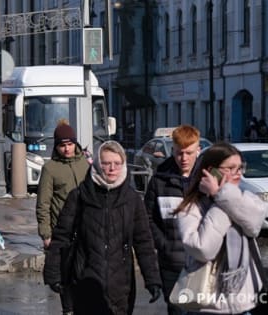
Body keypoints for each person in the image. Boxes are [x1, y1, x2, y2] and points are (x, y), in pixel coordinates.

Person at [44, 140, 162, 315]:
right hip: (85, 282)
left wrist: (152, 279)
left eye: (117, 163)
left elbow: (143, 241)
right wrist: (53, 273)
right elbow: (61, 237)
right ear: (98, 165)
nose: (112, 168)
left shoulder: (132, 199)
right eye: (107, 163)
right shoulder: (79, 196)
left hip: (121, 286)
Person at [174, 142, 266, 314]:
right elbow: (203, 250)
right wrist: (221, 202)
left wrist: (220, 195)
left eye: (240, 168)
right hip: (208, 305)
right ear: (211, 171)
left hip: (244, 303)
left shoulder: (245, 198)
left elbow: (254, 226)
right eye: (230, 168)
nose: (237, 174)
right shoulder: (190, 208)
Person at [144, 125, 201, 315]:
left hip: (203, 263)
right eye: (179, 153)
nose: (183, 159)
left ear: (198, 150)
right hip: (171, 264)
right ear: (172, 150)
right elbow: (148, 217)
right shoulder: (159, 180)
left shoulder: (208, 180)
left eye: (189, 153)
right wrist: (164, 244)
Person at [36, 120, 89, 315]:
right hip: (62, 231)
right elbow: (43, 203)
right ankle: (68, 310)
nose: (66, 149)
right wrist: (46, 233)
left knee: (85, 272)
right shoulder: (50, 168)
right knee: (65, 274)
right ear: (56, 146)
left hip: (86, 228)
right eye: (62, 145)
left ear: (75, 143)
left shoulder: (85, 164)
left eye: (69, 144)